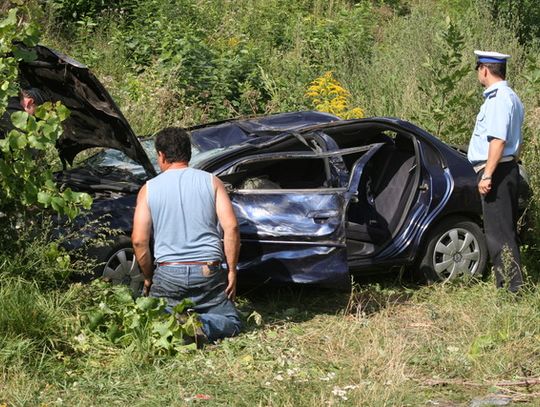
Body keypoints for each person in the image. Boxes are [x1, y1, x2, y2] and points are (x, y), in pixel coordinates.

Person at [131, 126, 242, 344]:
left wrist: (148, 277)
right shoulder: (212, 182)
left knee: (152, 318)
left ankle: (174, 323)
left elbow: (139, 240)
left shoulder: (148, 189)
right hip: (207, 271)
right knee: (232, 320)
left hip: (168, 273)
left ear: (161, 155)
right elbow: (232, 228)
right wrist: (231, 270)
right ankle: (203, 325)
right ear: (188, 154)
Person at [468, 50, 524, 292]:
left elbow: (498, 141)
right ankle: (511, 285)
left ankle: (511, 289)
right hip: (505, 168)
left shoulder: (500, 98)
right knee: (503, 229)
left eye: (478, 69)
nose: (478, 74)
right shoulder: (509, 97)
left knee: (498, 233)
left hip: (497, 171)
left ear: (485, 69)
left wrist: (488, 174)